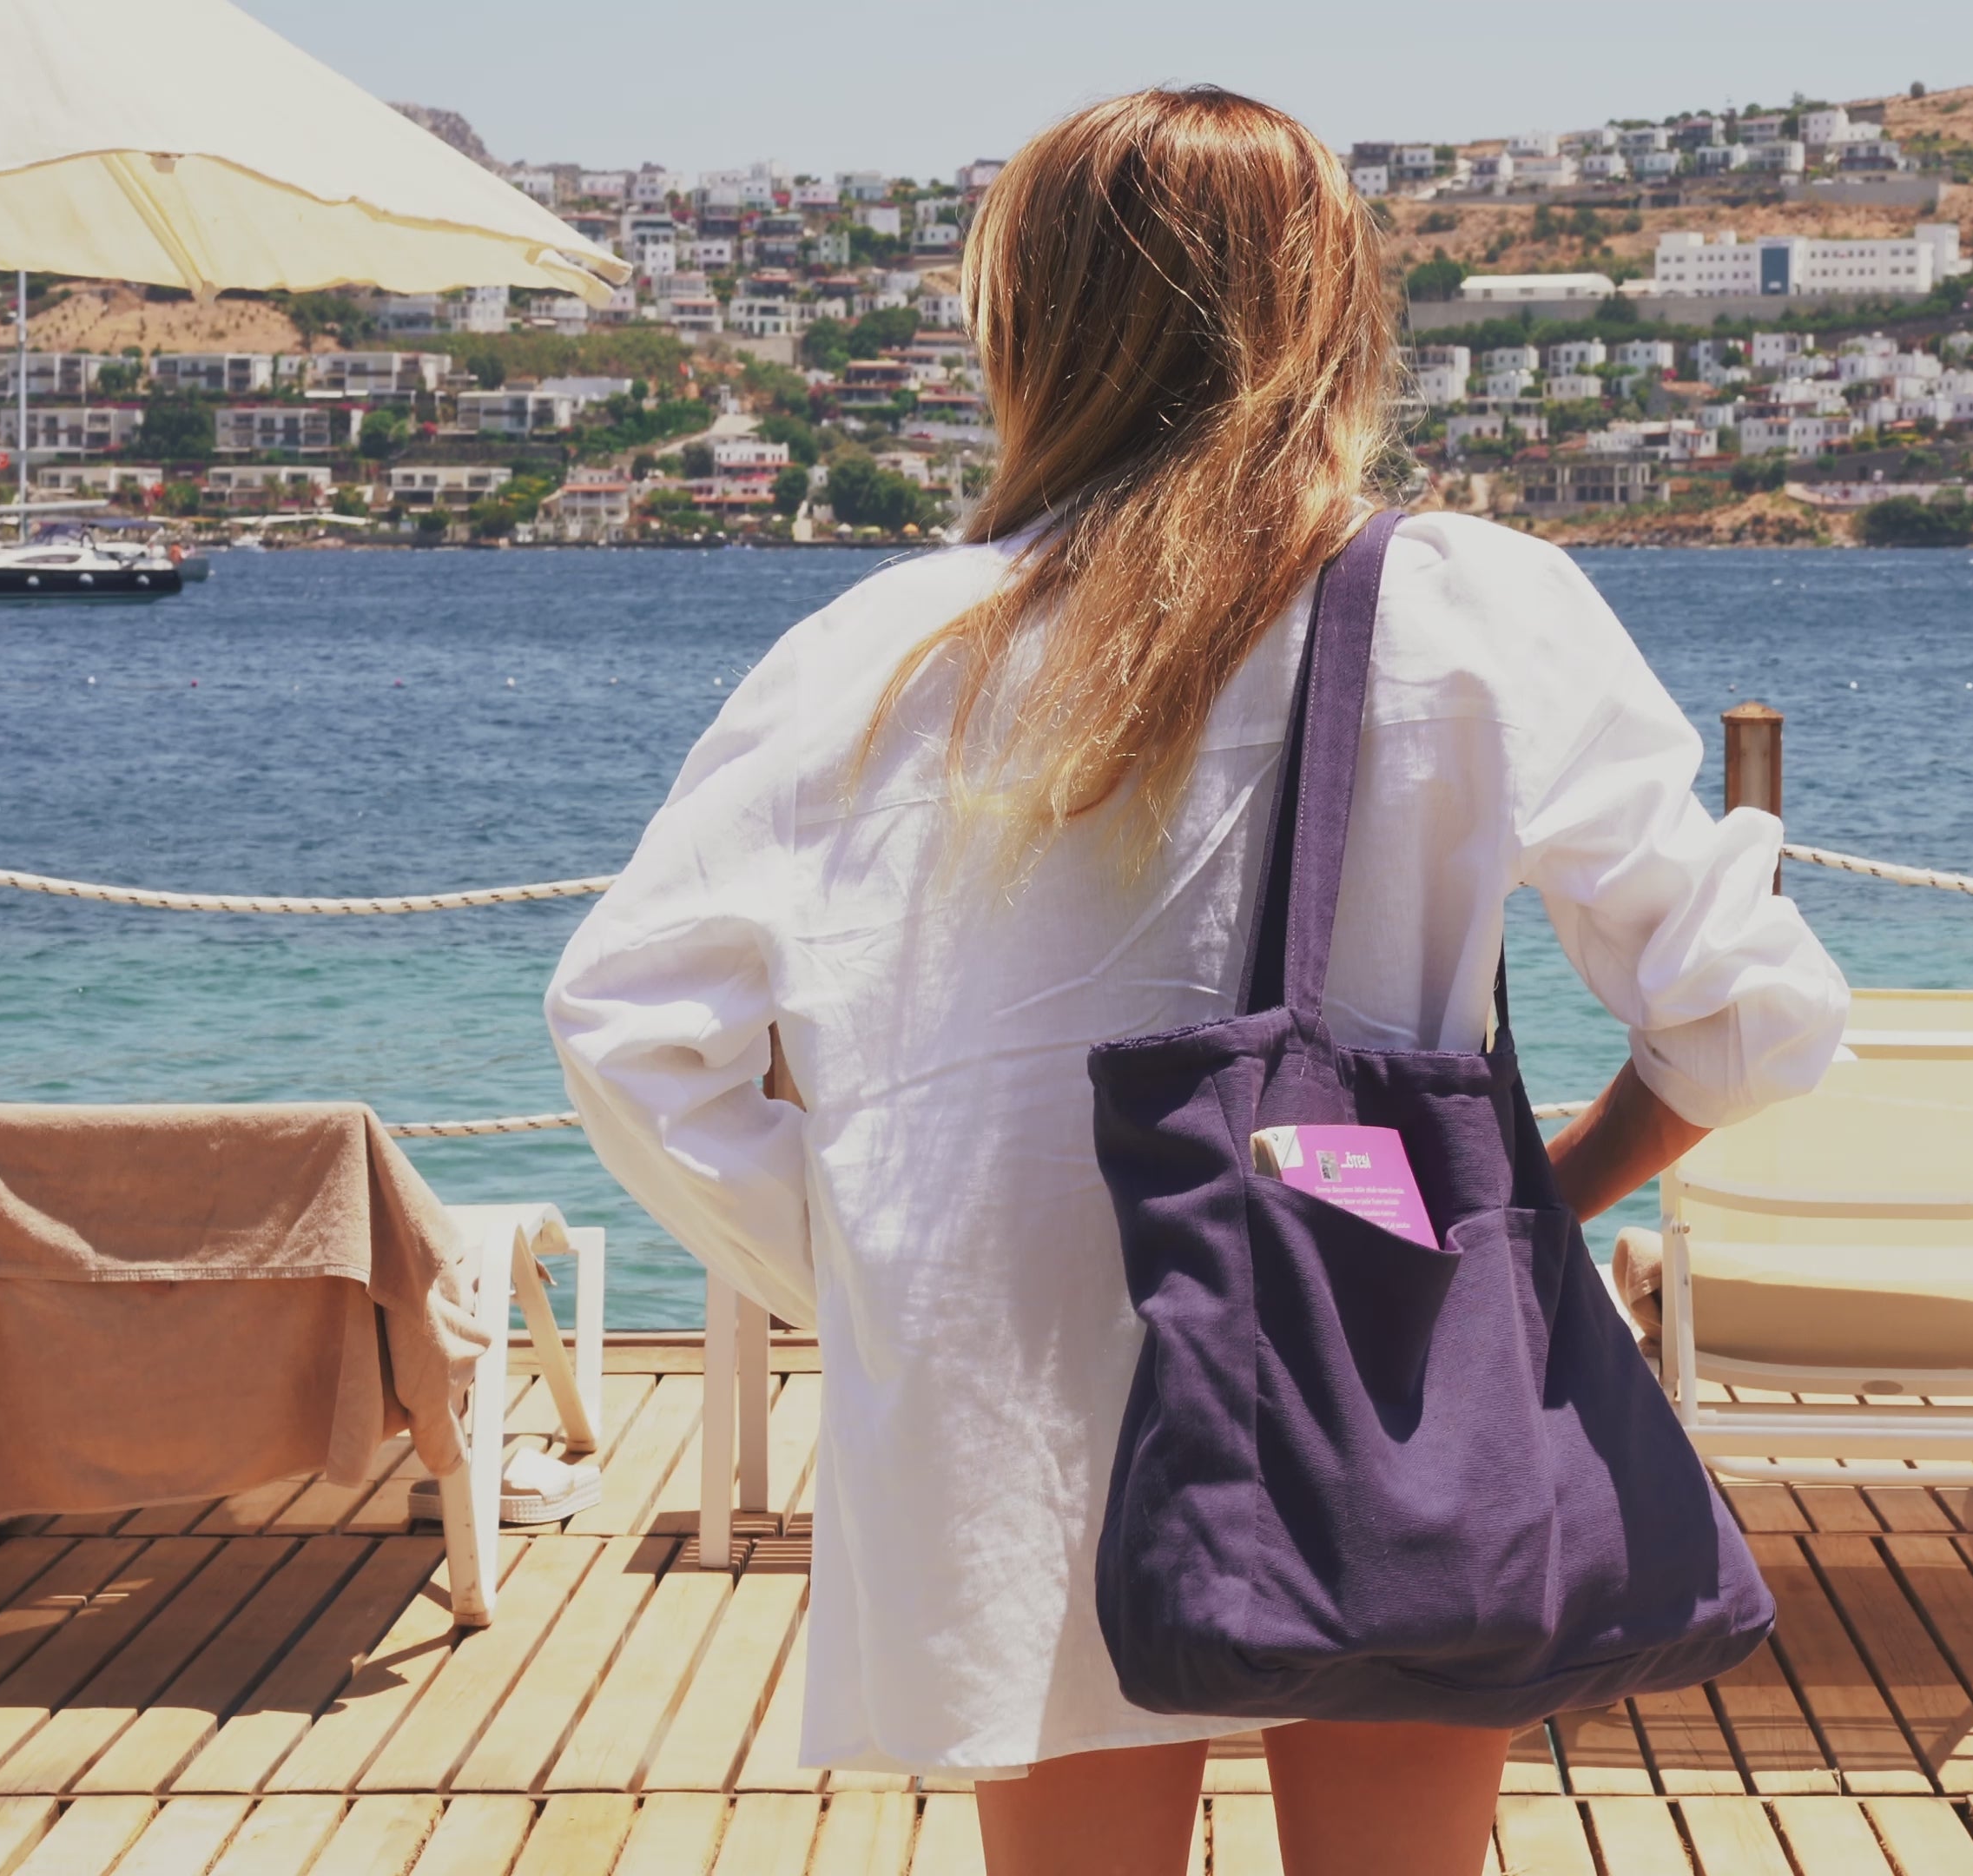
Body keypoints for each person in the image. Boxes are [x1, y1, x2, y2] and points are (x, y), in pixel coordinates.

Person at [549, 87, 1845, 1876]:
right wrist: (1522, 1221)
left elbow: (628, 1032)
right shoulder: (1461, 609)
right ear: (1329, 313)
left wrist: (854, 1256)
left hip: (1011, 1387)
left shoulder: (883, 648)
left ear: (1031, 326)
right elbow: (1750, 1020)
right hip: (1369, 1340)